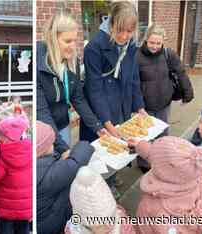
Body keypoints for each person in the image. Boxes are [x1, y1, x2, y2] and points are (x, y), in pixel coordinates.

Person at [37, 11, 106, 157]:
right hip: (44, 131)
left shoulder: (72, 60)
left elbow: (78, 98)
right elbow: (42, 112)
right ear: (52, 39)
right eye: (68, 41)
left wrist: (97, 127)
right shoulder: (38, 63)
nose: (73, 46)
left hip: (63, 124)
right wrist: (62, 148)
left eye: (75, 41)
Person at [81, 1, 147, 141]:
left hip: (122, 108)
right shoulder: (94, 48)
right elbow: (94, 90)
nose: (124, 36)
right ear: (111, 24)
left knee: (123, 151)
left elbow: (133, 78)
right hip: (102, 112)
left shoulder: (132, 45)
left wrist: (139, 107)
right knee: (103, 153)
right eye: (119, 30)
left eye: (129, 31)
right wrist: (107, 123)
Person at [129, 136, 202, 233]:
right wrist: (140, 146)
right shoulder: (196, 178)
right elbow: (164, 160)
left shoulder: (154, 208)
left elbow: (144, 228)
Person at [36, 121, 93, 234]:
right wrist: (79, 146)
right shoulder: (48, 174)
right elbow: (77, 161)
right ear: (44, 148)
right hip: (52, 222)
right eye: (51, 143)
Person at [136, 24, 193, 130]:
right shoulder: (137, 56)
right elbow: (132, 83)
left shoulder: (168, 54)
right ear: (146, 40)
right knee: (147, 135)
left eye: (158, 43)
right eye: (152, 42)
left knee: (163, 133)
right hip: (145, 107)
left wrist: (188, 94)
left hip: (164, 104)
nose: (155, 46)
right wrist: (137, 105)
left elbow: (181, 73)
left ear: (163, 42)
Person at [0, 116, 32, 234]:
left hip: (6, 207)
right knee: (23, 229)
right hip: (26, 205)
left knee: (4, 230)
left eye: (0, 136)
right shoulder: (30, 149)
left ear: (7, 137)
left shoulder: (4, 157)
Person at [66, 166, 136, 234]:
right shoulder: (73, 229)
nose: (108, 226)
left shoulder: (122, 223)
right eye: (100, 225)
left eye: (110, 218)